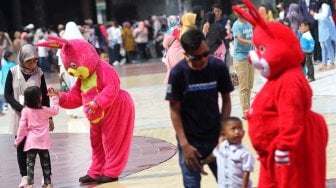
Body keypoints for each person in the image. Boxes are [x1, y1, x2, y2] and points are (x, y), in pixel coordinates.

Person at [233, 0, 328, 187]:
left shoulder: (290, 80)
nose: (256, 56)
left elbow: (290, 115)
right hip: (272, 155)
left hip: (286, 155)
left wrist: (285, 146)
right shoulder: (279, 76)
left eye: (261, 49)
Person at [37, 34, 135, 184]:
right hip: (95, 115)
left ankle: (112, 171)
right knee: (96, 143)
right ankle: (96, 171)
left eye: (74, 67)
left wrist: (98, 101)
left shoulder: (104, 68)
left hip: (114, 109)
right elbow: (75, 98)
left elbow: (112, 87)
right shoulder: (83, 77)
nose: (73, 72)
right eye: (70, 69)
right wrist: (60, 95)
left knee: (111, 141)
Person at [165, 29, 234, 188]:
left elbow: (227, 100)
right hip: (190, 140)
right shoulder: (178, 74)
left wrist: (222, 134)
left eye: (206, 54)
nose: (204, 60)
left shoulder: (217, 67)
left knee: (230, 183)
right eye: (197, 57)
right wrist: (184, 144)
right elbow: (174, 110)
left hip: (215, 136)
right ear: (187, 54)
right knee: (191, 184)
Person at [4, 44, 54, 188]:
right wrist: (21, 108)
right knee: (21, 148)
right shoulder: (13, 72)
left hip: (37, 117)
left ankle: (47, 177)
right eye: (29, 61)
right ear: (22, 59)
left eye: (35, 60)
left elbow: (45, 96)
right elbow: (7, 93)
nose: (33, 64)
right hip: (19, 116)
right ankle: (24, 177)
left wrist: (49, 117)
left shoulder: (39, 72)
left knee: (42, 148)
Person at [14, 86, 59, 188]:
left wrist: (17, 141)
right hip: (43, 142)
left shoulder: (25, 111)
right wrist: (55, 97)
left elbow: (22, 127)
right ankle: (47, 183)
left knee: (30, 164)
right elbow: (56, 111)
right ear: (40, 98)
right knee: (46, 164)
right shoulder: (45, 110)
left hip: (31, 143)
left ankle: (29, 184)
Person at [200, 117, 255, 188]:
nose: (237, 132)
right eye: (233, 129)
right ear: (224, 134)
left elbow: (246, 172)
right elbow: (214, 155)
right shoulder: (222, 146)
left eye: (240, 128)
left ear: (244, 132)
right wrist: (203, 162)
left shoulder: (244, 153)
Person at [232, 0, 254, 119]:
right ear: (236, 12)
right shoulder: (237, 25)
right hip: (240, 58)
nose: (244, 10)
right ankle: (246, 111)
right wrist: (252, 41)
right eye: (241, 8)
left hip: (250, 57)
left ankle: (249, 109)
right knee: (244, 87)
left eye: (245, 8)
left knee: (249, 85)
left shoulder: (249, 22)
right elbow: (239, 39)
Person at [310, 0, 336, 71]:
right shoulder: (320, 6)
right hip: (322, 27)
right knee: (323, 46)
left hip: (327, 27)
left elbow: (324, 16)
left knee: (328, 45)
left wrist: (314, 14)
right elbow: (317, 17)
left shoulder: (325, 5)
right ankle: (324, 63)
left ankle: (332, 62)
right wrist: (315, 14)